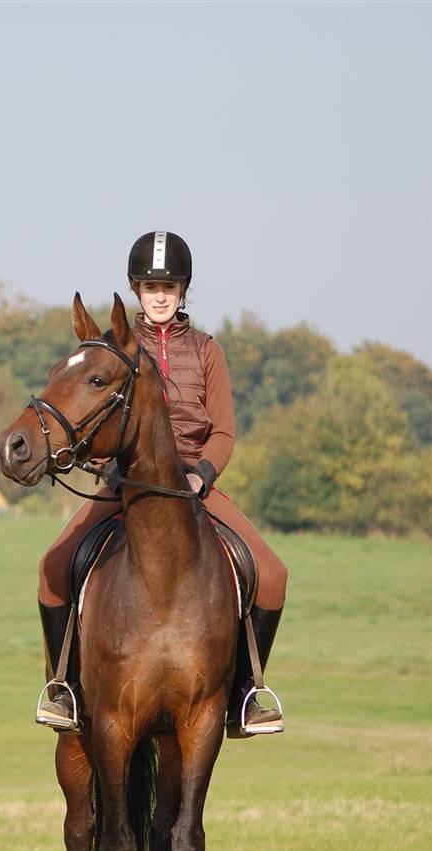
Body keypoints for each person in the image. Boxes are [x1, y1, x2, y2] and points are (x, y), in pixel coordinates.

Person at [36, 230, 287, 737]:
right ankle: (65, 687)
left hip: (194, 482)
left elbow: (223, 431)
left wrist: (202, 474)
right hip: (125, 481)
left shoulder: (208, 352)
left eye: (168, 287)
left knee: (273, 574)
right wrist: (103, 461)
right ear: (135, 290)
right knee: (52, 568)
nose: (159, 296)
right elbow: (93, 416)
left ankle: (244, 691)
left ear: (183, 290)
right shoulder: (114, 350)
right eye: (150, 287)